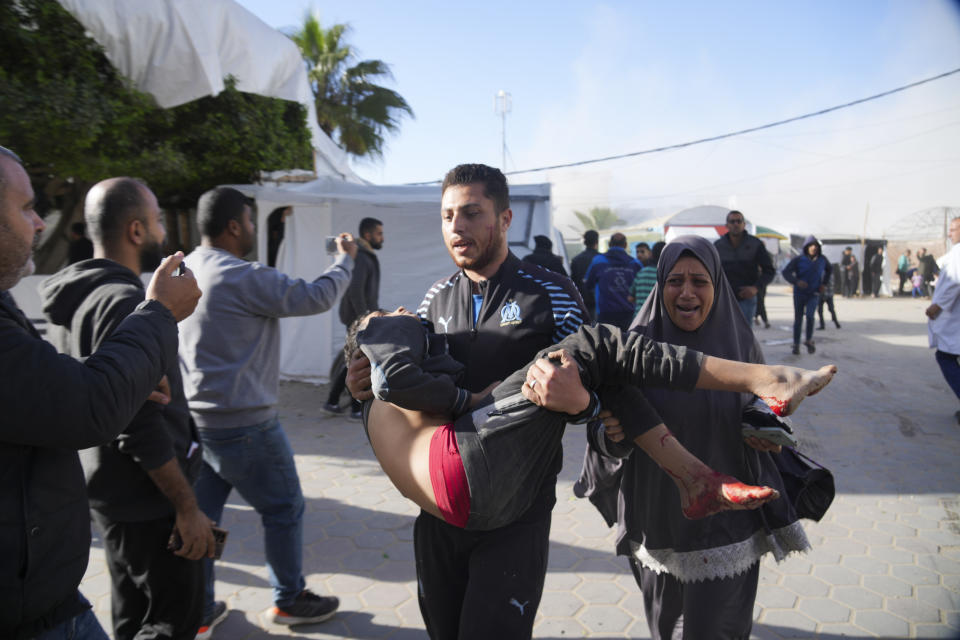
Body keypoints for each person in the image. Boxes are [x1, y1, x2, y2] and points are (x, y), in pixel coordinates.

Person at [347, 163, 588, 639]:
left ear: (504, 219)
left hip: (518, 511)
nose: (456, 227)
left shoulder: (552, 295)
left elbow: (596, 387)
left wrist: (582, 404)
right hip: (439, 503)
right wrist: (365, 387)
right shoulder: (432, 302)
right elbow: (409, 389)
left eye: (472, 213)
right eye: (447, 215)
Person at [351, 308, 835, 530]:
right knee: (596, 344)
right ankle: (767, 378)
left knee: (601, 371)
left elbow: (393, 390)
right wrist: (467, 393)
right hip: (462, 466)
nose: (409, 313)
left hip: (469, 508)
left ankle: (695, 479)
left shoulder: (375, 405)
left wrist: (591, 408)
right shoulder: (385, 325)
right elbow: (392, 378)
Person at [575, 235, 824, 640]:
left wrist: (766, 432)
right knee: (664, 626)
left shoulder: (740, 341)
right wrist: (612, 437)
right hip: (659, 520)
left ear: (717, 285)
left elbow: (764, 406)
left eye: (699, 281)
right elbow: (599, 437)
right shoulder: (631, 349)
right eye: (675, 281)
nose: (686, 293)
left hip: (728, 523)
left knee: (717, 629)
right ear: (659, 285)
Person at [0, 145, 202, 639]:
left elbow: (45, 386)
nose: (41, 223)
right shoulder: (123, 299)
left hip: (91, 520)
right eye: (27, 208)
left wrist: (118, 376)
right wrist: (187, 506)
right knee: (171, 620)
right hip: (143, 501)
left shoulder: (76, 291)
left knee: (132, 615)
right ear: (137, 231)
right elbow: (115, 416)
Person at [178, 187, 356, 629]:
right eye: (252, 223)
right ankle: (289, 600)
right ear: (235, 226)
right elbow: (315, 297)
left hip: (196, 423)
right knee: (284, 508)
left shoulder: (181, 270)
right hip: (246, 427)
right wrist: (345, 259)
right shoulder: (241, 275)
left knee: (204, 519)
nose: (255, 231)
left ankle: (197, 609)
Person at [323, 216, 384, 420]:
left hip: (361, 316)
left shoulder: (365, 255)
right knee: (356, 361)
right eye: (379, 233)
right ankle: (354, 408)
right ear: (367, 235)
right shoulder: (361, 257)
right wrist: (363, 319)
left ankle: (334, 402)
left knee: (355, 359)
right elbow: (355, 290)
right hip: (358, 318)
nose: (382, 238)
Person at [925, 217, 960, 424]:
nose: (950, 233)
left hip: (952, 317)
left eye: (954, 229)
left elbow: (956, 282)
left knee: (945, 357)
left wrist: (937, 306)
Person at [713, 210, 776, 322]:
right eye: (732, 221)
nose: (736, 224)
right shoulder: (718, 246)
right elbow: (711, 272)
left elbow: (769, 271)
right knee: (724, 335)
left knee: (745, 336)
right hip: (724, 299)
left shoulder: (755, 244)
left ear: (744, 224)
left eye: (739, 221)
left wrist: (755, 288)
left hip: (747, 299)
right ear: (726, 225)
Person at [783, 236, 832, 355]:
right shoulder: (799, 259)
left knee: (810, 316)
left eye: (815, 245)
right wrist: (796, 282)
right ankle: (796, 344)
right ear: (806, 247)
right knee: (798, 319)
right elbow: (786, 272)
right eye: (811, 245)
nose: (813, 247)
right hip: (799, 293)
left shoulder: (822, 259)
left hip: (814, 293)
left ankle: (809, 340)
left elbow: (829, 270)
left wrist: (824, 284)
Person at [585, 232, 642, 329]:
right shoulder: (635, 263)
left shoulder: (598, 261)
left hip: (605, 314)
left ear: (609, 244)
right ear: (625, 245)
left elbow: (588, 284)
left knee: (605, 343)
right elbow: (640, 289)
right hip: (629, 314)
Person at [570, 229, 599, 321]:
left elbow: (573, 282)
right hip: (599, 301)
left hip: (582, 300)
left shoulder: (576, 260)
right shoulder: (602, 259)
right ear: (597, 242)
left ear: (584, 242)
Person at [628, 240, 663, 314]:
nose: (639, 255)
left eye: (642, 252)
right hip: (656, 317)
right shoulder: (665, 275)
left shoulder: (641, 272)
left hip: (638, 318)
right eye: (637, 252)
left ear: (650, 253)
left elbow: (630, 297)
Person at [817, 263, 841, 330]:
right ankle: (835, 323)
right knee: (829, 309)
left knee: (823, 310)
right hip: (828, 294)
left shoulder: (825, 273)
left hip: (824, 294)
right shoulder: (830, 273)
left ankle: (825, 324)